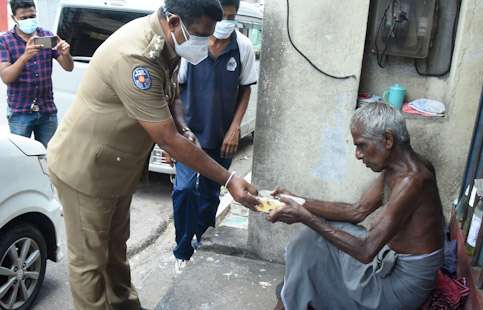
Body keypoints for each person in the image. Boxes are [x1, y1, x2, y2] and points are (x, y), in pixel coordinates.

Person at [46, 0, 259, 309]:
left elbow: (170, 96)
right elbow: (166, 138)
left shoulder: (168, 43)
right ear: (174, 22)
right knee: (90, 262)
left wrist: (183, 127)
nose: (206, 42)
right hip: (86, 171)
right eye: (201, 35)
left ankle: (125, 305)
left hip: (118, 168)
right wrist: (229, 178)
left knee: (115, 249)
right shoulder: (136, 55)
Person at [268, 102, 445, 310]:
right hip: (387, 262)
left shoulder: (413, 180)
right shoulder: (395, 168)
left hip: (400, 286)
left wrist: (304, 216)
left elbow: (366, 251)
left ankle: (291, 297)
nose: (358, 155)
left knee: (312, 252)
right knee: (310, 245)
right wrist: (297, 200)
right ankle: (292, 296)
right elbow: (356, 211)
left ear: (388, 140)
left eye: (361, 145)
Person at [171, 0, 258, 271]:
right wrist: (181, 129)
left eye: (232, 17)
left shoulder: (242, 46)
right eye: (223, 17)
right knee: (184, 190)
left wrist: (235, 128)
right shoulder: (191, 44)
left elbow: (245, 89)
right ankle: (182, 251)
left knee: (210, 195)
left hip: (221, 137)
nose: (226, 23)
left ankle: (203, 243)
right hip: (190, 136)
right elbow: (176, 90)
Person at [0, 0, 73, 147]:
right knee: (21, 157)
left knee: (49, 156)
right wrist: (25, 57)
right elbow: (6, 77)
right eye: (24, 18)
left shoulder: (46, 36)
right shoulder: (5, 41)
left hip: (47, 110)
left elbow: (68, 67)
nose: (29, 20)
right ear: (14, 18)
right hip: (20, 112)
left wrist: (66, 54)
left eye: (32, 16)